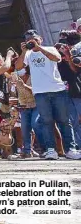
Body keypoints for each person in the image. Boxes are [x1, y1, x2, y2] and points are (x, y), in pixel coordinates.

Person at [15, 29, 81, 160]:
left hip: (58, 89)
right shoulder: (27, 54)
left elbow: (56, 58)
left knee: (64, 120)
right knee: (46, 122)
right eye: (29, 40)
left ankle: (71, 149)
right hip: (40, 92)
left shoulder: (50, 48)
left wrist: (39, 48)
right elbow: (18, 67)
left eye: (34, 39)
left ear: (41, 39)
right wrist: (23, 52)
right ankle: (51, 150)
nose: (32, 42)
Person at [57, 31, 81, 147]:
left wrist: (68, 56)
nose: (63, 48)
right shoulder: (58, 60)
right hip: (66, 93)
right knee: (73, 122)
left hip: (77, 92)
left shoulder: (76, 56)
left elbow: (75, 71)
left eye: (65, 45)